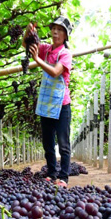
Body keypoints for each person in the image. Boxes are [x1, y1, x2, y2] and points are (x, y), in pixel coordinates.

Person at [24, 17, 73, 187]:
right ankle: (52, 173)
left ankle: (64, 177)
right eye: (54, 29)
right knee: (48, 143)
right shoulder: (45, 49)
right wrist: (29, 32)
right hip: (46, 104)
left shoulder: (65, 54)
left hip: (62, 106)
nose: (55, 32)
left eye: (60, 30)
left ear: (66, 35)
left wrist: (37, 60)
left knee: (63, 143)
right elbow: (27, 45)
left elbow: (54, 72)